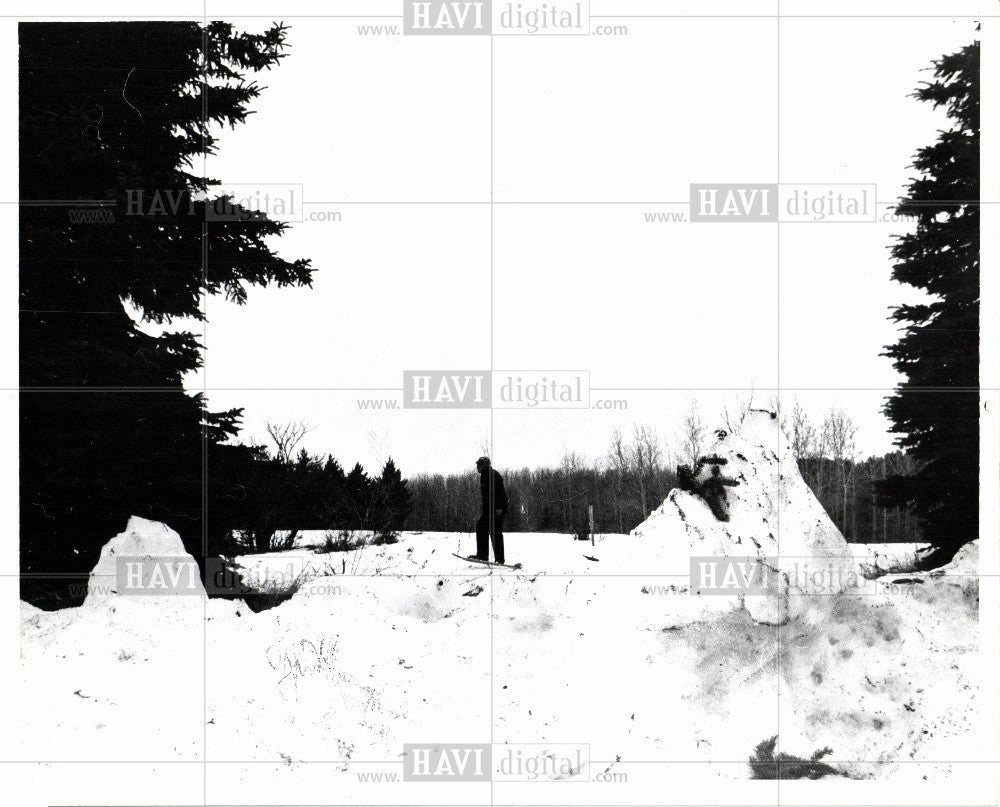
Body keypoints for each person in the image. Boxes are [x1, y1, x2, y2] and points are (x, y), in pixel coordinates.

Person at [475, 456, 508, 564]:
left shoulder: (493, 475)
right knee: (481, 527)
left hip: (497, 509)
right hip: (489, 509)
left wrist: (499, 508)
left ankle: (499, 559)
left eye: (479, 465)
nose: (477, 467)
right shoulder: (484, 476)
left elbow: (500, 492)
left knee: (495, 532)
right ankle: (482, 555)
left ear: (484, 465)